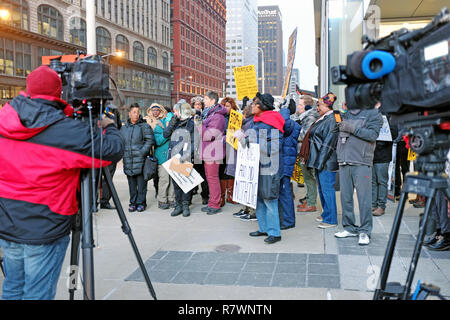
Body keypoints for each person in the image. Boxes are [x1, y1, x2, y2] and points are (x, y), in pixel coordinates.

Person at [0, 65, 123, 300]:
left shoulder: (5, 120)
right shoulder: (64, 131)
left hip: (7, 222)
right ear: (59, 93)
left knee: (13, 287)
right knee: (37, 293)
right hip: (44, 227)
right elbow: (110, 151)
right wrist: (110, 127)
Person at [334, 101, 384, 245]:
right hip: (344, 160)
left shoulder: (374, 113)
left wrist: (351, 128)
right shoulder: (347, 112)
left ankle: (365, 231)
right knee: (346, 198)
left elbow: (372, 135)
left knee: (364, 200)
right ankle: (349, 228)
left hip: (362, 161)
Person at [244, 93, 285, 244]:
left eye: (254, 104)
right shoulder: (258, 121)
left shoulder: (272, 121)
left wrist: (251, 142)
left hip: (269, 166)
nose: (252, 106)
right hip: (258, 165)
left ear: (261, 106)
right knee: (259, 198)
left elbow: (275, 146)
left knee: (269, 199)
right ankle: (264, 228)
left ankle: (275, 232)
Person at [300, 93, 339, 229]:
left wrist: (320, 162)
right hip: (320, 160)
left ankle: (331, 219)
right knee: (322, 189)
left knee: (327, 189)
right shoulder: (324, 117)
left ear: (327, 105)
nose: (317, 108)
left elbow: (328, 144)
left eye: (319, 105)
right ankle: (326, 213)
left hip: (326, 161)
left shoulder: (333, 118)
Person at [120, 103, 155, 212]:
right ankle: (133, 203)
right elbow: (120, 142)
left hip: (141, 159)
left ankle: (141, 203)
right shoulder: (124, 128)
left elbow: (150, 140)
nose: (136, 114)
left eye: (138, 112)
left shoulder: (144, 126)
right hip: (128, 159)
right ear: (129, 113)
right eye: (134, 112)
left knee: (141, 184)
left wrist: (142, 152)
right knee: (131, 184)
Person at [163, 101, 196, 217]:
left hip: (185, 157)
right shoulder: (174, 123)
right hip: (173, 156)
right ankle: (178, 205)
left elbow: (194, 142)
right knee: (176, 183)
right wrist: (172, 123)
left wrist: (187, 155)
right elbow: (165, 134)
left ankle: (186, 204)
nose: (174, 113)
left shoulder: (191, 124)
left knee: (186, 183)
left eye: (176, 111)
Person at [200, 91, 227, 215]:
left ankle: (215, 204)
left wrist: (199, 125)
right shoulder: (209, 114)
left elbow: (210, 135)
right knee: (210, 178)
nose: (203, 101)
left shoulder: (217, 116)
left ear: (213, 100)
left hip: (213, 152)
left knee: (212, 178)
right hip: (208, 151)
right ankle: (212, 202)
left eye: (205, 99)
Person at [146, 103, 175, 210]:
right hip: (161, 157)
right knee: (164, 180)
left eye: (158, 110)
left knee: (172, 179)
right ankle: (162, 200)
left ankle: (172, 199)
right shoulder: (157, 125)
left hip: (172, 155)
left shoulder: (169, 122)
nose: (156, 112)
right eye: (153, 110)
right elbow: (157, 141)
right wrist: (167, 134)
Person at [279, 99, 301, 230]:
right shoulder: (294, 125)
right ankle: (286, 219)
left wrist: (283, 109)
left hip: (284, 162)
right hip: (285, 161)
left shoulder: (289, 125)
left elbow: (285, 124)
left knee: (284, 192)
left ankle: (288, 220)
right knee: (284, 192)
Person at [233, 101, 257, 222]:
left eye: (243, 112)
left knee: (249, 184)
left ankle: (251, 210)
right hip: (243, 158)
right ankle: (246, 208)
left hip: (248, 159)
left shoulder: (250, 124)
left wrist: (240, 137)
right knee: (244, 184)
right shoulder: (246, 123)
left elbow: (249, 143)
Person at [296, 95, 320, 213]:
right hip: (307, 152)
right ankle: (309, 199)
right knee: (308, 178)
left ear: (306, 106)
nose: (298, 107)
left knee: (309, 178)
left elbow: (305, 136)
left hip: (307, 152)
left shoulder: (309, 118)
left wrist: (294, 133)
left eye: (300, 105)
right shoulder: (307, 116)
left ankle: (311, 203)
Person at [99, 102, 123, 210]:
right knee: (95, 177)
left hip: (108, 147)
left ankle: (104, 200)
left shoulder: (113, 109)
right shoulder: (93, 110)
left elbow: (117, 127)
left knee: (108, 177)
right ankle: (93, 201)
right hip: (96, 147)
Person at [372, 106, 393, 217]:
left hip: (383, 153)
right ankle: (373, 205)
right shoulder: (369, 110)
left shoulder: (388, 112)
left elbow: (394, 132)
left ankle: (381, 206)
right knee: (372, 181)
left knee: (382, 181)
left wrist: (381, 142)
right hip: (370, 153)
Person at [191, 96, 209, 205]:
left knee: (203, 174)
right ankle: (192, 190)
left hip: (202, 148)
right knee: (192, 172)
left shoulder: (204, 116)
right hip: (192, 147)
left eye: (199, 104)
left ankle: (205, 195)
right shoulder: (189, 116)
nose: (198, 106)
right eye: (196, 104)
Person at [221, 97, 239, 206]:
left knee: (232, 170)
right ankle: (222, 195)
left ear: (232, 106)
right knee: (222, 170)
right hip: (222, 146)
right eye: (224, 106)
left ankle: (231, 195)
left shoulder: (237, 117)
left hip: (233, 146)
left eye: (227, 106)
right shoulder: (220, 117)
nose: (225, 108)